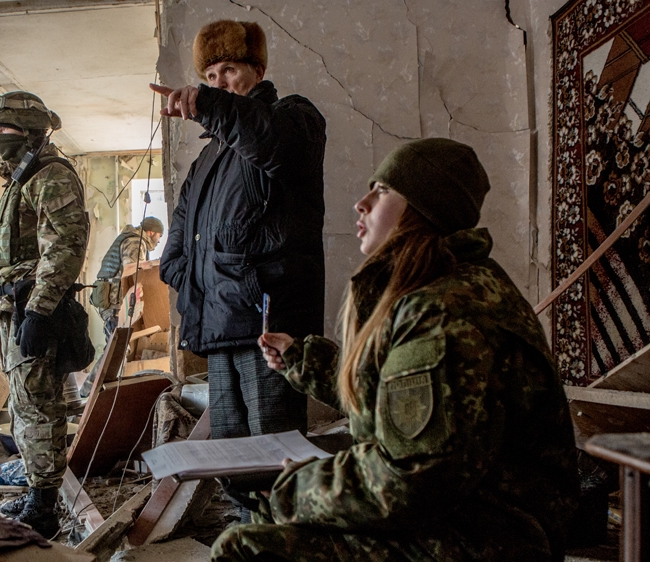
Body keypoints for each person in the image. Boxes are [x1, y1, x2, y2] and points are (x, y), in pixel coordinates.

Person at [211, 138, 579, 561]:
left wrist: (294, 489)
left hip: (486, 539)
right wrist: (303, 360)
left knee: (245, 547)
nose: (362, 203)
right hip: (468, 520)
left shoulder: (444, 314)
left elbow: (406, 478)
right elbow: (397, 405)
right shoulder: (445, 287)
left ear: (424, 209)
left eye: (383, 190)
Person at [151, 19, 326, 516]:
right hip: (219, 325)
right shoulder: (208, 159)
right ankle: (252, 533)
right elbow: (178, 246)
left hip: (268, 327)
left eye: (229, 70)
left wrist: (211, 105)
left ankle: (283, 541)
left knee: (276, 458)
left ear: (258, 71)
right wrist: (193, 285)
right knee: (233, 459)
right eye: (210, 76)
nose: (219, 83)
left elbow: (269, 141)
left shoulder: (294, 119)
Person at [0, 91, 90, 539]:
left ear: (30, 132)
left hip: (34, 308)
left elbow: (66, 244)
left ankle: (44, 508)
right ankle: (37, 490)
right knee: (25, 408)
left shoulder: (51, 175)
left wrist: (40, 311)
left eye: (5, 128)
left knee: (39, 410)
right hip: (16, 309)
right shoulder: (20, 178)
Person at [91, 216, 164, 341]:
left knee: (116, 344)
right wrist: (156, 265)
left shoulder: (131, 239)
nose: (158, 241)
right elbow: (133, 272)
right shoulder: (135, 242)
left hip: (111, 302)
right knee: (119, 345)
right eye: (159, 235)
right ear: (151, 232)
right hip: (116, 304)